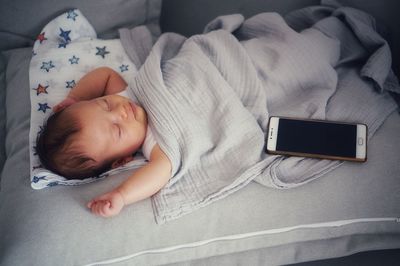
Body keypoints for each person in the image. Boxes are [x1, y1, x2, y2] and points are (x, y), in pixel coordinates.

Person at [36, 67, 172, 218]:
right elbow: (162, 169)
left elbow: (106, 75)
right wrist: (122, 195)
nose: (121, 111)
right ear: (122, 160)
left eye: (106, 104)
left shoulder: (127, 97)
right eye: (118, 130)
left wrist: (75, 98)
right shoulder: (152, 142)